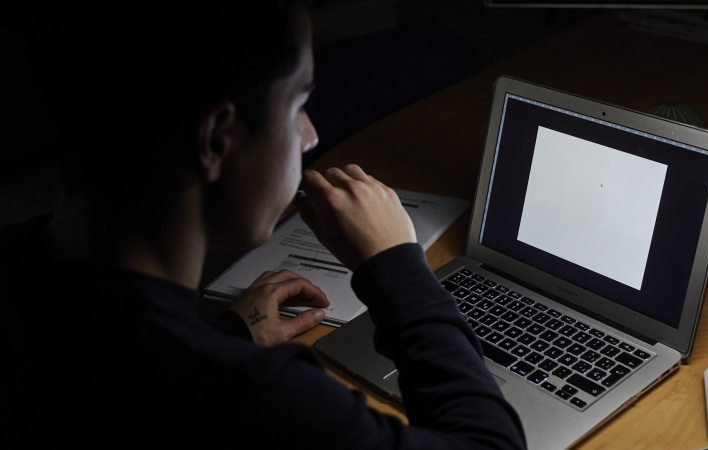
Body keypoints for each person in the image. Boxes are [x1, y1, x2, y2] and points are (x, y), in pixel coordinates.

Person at [0, 2, 526, 448]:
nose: (311, 135)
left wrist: (230, 334)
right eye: (298, 104)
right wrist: (398, 266)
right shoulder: (255, 396)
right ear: (216, 142)